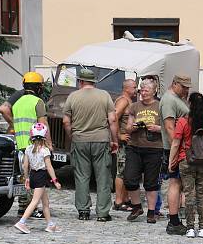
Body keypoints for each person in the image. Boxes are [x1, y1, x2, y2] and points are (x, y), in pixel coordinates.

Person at [62, 68, 119, 222]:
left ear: (80, 81)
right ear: (94, 82)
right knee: (103, 177)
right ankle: (102, 213)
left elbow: (66, 121)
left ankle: (83, 211)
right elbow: (112, 120)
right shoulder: (104, 95)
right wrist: (115, 140)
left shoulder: (73, 97)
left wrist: (72, 136)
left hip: (80, 140)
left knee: (81, 176)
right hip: (100, 140)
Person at [170, 92, 203, 238]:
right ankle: (202, 228)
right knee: (202, 195)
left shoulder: (183, 121)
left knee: (189, 194)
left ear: (190, 104)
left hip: (186, 160)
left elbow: (176, 143)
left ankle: (190, 227)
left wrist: (171, 161)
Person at [9, 72, 50, 218]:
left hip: (20, 145)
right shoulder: (37, 102)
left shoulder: (18, 103)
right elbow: (43, 125)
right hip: (34, 146)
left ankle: (22, 206)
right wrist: (49, 144)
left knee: (23, 176)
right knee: (36, 177)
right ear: (38, 87)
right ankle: (32, 208)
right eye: (41, 86)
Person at [124, 79, 163, 224]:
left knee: (151, 182)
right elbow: (127, 128)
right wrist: (133, 127)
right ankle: (136, 206)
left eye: (147, 90)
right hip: (134, 146)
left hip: (154, 148)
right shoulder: (134, 106)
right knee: (129, 178)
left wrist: (157, 128)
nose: (143, 92)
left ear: (154, 91)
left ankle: (151, 212)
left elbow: (168, 127)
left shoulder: (160, 106)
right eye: (141, 90)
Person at [14, 123, 62, 234]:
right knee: (35, 201)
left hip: (33, 175)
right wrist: (55, 181)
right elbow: (49, 167)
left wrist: (26, 178)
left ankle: (50, 224)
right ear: (44, 136)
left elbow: (25, 166)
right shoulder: (45, 150)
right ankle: (22, 222)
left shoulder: (28, 149)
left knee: (45, 202)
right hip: (41, 176)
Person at [161, 74, 191, 235]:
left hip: (178, 148)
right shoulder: (169, 100)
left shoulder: (176, 99)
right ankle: (173, 221)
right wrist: (178, 150)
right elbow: (170, 127)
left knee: (178, 184)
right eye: (184, 87)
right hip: (175, 149)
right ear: (175, 84)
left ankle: (176, 218)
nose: (187, 90)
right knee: (175, 183)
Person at [113, 79, 137, 211]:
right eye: (134, 87)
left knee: (127, 170)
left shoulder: (129, 101)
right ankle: (118, 201)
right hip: (123, 142)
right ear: (126, 88)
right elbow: (115, 116)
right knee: (121, 171)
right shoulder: (123, 101)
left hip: (129, 142)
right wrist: (118, 136)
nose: (136, 89)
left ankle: (126, 198)